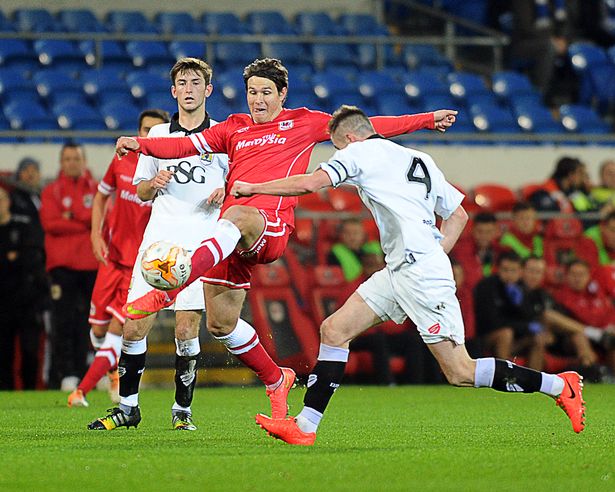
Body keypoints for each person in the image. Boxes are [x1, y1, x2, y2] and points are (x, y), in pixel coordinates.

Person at [111, 58, 459, 429]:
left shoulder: (304, 121)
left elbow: (370, 128)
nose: (257, 100)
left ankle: (169, 290)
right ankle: (277, 380)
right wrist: (141, 145)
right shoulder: (233, 128)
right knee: (221, 325)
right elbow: (181, 148)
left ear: (282, 94)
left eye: (265, 93)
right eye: (251, 92)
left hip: (269, 225)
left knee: (236, 214)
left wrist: (426, 118)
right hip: (234, 238)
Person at [229, 105, 585, 445]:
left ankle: (559, 386)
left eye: (335, 148)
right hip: (403, 268)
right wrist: (434, 254)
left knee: (460, 371)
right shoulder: (419, 159)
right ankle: (305, 426)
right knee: (334, 330)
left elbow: (310, 184)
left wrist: (252, 189)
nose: (337, 156)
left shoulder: (356, 153)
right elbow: (458, 215)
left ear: (348, 139)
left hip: (419, 273)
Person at [88, 58, 227, 431]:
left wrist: (224, 191)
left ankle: (182, 411)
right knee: (134, 327)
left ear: (207, 90)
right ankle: (128, 408)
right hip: (158, 247)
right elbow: (141, 190)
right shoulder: (158, 135)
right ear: (174, 91)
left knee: (185, 331)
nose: (189, 88)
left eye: (196, 82)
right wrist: (156, 182)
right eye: (182, 82)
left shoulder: (225, 136)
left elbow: (239, 188)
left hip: (199, 248)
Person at [67, 109, 170, 408]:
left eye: (155, 130)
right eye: (145, 130)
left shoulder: (168, 170)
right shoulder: (122, 159)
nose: (149, 135)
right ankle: (112, 372)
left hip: (139, 267)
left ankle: (81, 391)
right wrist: (95, 235)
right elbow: (101, 196)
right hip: (112, 259)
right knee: (97, 330)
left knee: (117, 331)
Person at [40, 142, 99, 391]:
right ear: (61, 162)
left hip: (91, 264)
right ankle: (67, 373)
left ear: (83, 161)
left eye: (76, 159)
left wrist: (71, 216)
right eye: (68, 159)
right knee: (63, 322)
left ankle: (90, 372)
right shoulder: (51, 191)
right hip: (62, 267)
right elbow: (50, 224)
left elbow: (102, 219)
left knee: (92, 320)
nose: (72, 163)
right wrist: (84, 220)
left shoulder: (96, 189)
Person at [0, 188, 47, 389]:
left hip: (26, 299)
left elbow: (33, 257)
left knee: (30, 350)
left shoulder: (24, 225)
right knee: (3, 352)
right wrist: (12, 257)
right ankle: (5, 391)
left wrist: (14, 259)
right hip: (2, 301)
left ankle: (30, 390)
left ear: (8, 201)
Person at [474, 252, 549, 370]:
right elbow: (492, 321)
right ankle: (504, 375)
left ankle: (534, 378)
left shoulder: (523, 287)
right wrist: (525, 326)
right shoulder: (487, 286)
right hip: (489, 337)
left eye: (513, 270)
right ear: (498, 269)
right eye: (505, 270)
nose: (509, 274)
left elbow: (530, 316)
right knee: (506, 333)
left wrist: (520, 304)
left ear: (520, 272)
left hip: (516, 338)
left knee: (538, 338)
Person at [552, 260, 615, 375]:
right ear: (567, 276)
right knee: (579, 337)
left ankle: (611, 378)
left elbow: (608, 314)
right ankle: (592, 373)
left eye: (581, 274)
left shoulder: (595, 294)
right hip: (568, 340)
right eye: (574, 274)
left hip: (599, 335)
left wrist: (610, 328)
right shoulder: (561, 297)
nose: (578, 278)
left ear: (588, 276)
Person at [529, 156, 595, 214]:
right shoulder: (544, 192)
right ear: (570, 175)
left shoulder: (576, 192)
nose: (582, 177)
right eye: (579, 173)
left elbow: (586, 212)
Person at [453, 212, 499, 292]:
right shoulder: (460, 251)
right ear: (472, 230)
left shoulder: (500, 250)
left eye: (488, 232)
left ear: (496, 231)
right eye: (480, 231)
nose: (484, 236)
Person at [327, 217, 382, 282]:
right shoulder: (334, 253)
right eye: (347, 233)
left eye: (356, 233)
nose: (352, 237)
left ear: (363, 234)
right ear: (341, 235)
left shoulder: (374, 248)